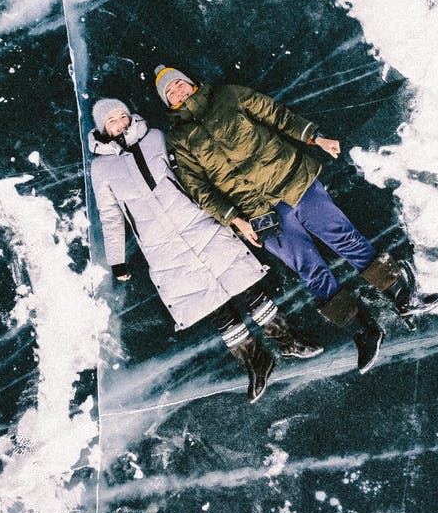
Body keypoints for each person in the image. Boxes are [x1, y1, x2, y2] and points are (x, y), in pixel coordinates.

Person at [154, 66, 438, 372]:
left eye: (178, 83)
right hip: (259, 214)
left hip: (294, 181)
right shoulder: (180, 139)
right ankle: (364, 332)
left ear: (190, 83)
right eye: (169, 92)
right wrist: (236, 221)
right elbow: (199, 189)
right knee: (311, 272)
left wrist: (316, 138)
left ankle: (402, 297)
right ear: (167, 102)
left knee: (346, 238)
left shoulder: (228, 96)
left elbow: (276, 115)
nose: (177, 91)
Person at [87, 97, 322, 403]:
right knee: (208, 302)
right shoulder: (101, 168)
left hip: (196, 223)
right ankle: (256, 361)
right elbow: (110, 216)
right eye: (112, 121)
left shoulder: (155, 137)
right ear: (102, 128)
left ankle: (287, 340)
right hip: (161, 245)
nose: (120, 123)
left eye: (122, 116)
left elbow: (190, 176)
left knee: (242, 282)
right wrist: (117, 261)